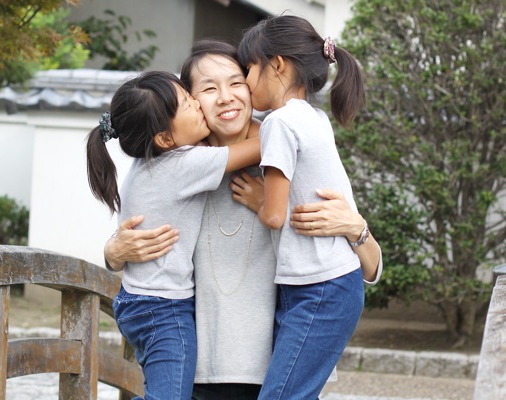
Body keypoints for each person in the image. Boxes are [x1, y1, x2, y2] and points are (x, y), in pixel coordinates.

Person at [104, 40, 382, 400]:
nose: (225, 97)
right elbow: (135, 233)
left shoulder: (290, 147)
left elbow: (369, 270)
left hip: (275, 370)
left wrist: (356, 229)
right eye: (207, 89)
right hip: (199, 372)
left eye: (236, 82)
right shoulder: (173, 163)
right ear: (189, 102)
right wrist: (113, 251)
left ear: (256, 82)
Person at [85, 70, 260, 400]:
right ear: (165, 138)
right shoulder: (184, 163)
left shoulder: (153, 162)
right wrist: (293, 119)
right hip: (162, 309)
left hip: (142, 302)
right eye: (187, 102)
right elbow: (262, 147)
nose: (198, 103)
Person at [236, 15, 371, 399]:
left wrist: (260, 201)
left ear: (276, 64)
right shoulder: (314, 117)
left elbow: (275, 215)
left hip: (320, 288)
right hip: (329, 282)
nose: (245, 83)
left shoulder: (280, 123)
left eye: (248, 69)